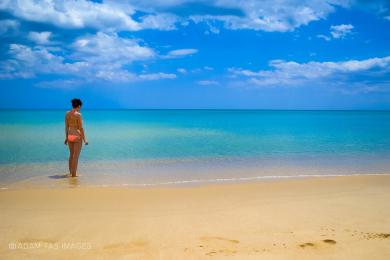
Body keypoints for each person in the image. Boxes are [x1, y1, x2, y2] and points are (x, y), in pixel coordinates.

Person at [64, 98, 88, 177]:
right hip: (77, 136)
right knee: (76, 156)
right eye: (80, 107)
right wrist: (85, 140)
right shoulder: (78, 115)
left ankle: (71, 172)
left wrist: (66, 138)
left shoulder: (67, 113)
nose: (80, 108)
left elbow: (66, 127)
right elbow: (81, 128)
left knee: (71, 155)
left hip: (70, 135)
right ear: (78, 106)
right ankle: (74, 175)